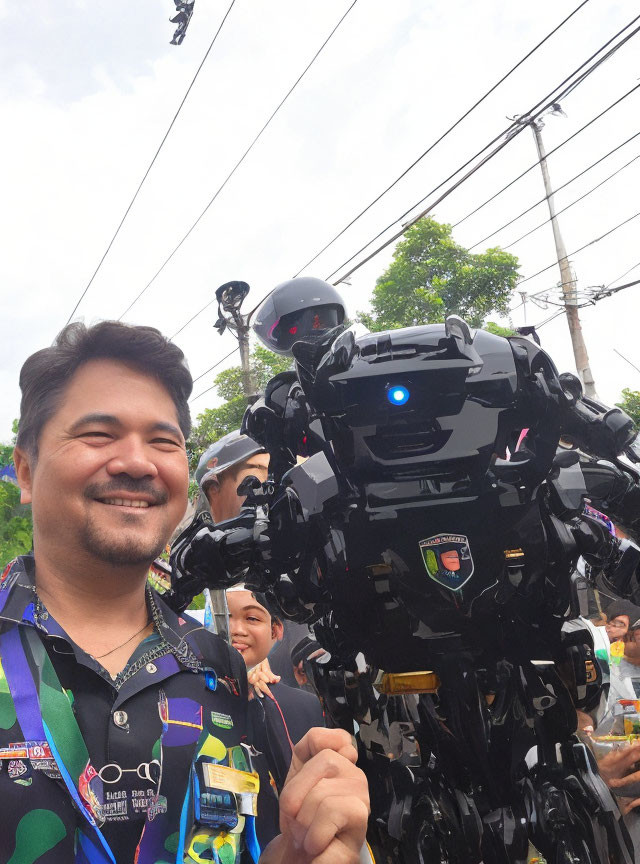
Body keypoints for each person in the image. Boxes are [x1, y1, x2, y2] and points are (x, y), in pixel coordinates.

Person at [3, 320, 369, 864]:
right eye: (99, 435)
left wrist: (297, 846)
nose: (137, 462)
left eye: (163, 441)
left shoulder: (222, 671)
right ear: (27, 471)